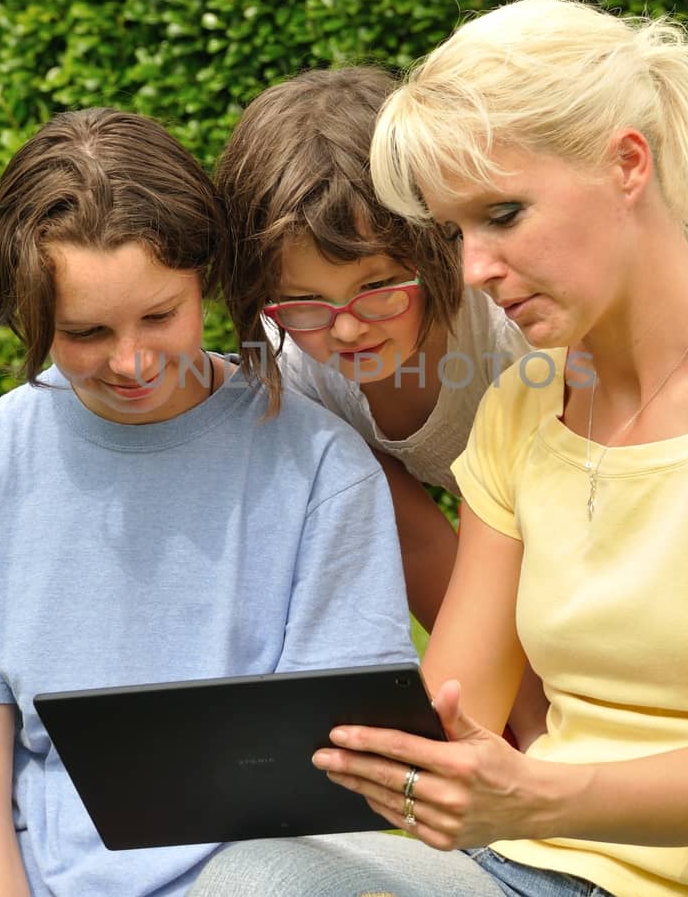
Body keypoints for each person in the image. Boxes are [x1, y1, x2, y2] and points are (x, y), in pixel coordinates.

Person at [191, 0, 688, 897]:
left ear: (627, 164)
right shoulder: (526, 409)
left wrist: (536, 798)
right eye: (456, 232)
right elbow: (457, 718)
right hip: (531, 867)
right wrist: (238, 763)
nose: (476, 268)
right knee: (254, 876)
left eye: (503, 213)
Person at [0, 108, 417, 897]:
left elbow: (330, 794)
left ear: (210, 277)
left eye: (161, 315)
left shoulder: (322, 468)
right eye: (86, 331)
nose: (131, 362)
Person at [215, 67, 547, 743]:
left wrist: (550, 726)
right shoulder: (294, 355)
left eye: (378, 285)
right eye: (305, 299)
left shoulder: (506, 326)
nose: (344, 328)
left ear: (436, 244)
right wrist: (504, 729)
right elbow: (422, 541)